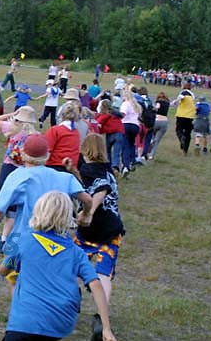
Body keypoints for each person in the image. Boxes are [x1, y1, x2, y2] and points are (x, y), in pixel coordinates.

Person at [0, 191, 117, 341]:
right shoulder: (76, 252)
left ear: (38, 212)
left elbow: (3, 270)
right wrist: (106, 328)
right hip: (61, 321)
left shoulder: (24, 240)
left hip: (26, 320)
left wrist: (15, 273)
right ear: (69, 217)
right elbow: (96, 285)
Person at [0, 134, 93, 258]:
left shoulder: (18, 176)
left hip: (26, 240)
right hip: (57, 243)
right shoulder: (65, 177)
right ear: (47, 155)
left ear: (23, 154)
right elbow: (88, 199)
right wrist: (86, 214)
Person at [74, 134, 125, 340]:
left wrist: (89, 212)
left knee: (72, 267)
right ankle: (99, 316)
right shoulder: (106, 169)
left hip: (89, 231)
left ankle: (71, 298)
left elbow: (100, 189)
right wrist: (73, 171)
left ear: (85, 150)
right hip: (111, 231)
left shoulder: (90, 169)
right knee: (104, 274)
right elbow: (91, 183)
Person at [0, 106, 39, 250]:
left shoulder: (12, 128)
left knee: (1, 198)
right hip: (24, 170)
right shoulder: (35, 136)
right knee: (14, 209)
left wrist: (12, 114)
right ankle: (4, 239)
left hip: (8, 168)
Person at [44, 101, 82, 174]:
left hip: (54, 168)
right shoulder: (76, 132)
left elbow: (46, 151)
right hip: (71, 169)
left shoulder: (55, 130)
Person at [171, 84, 196, 156]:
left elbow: (180, 98)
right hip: (190, 116)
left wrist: (174, 102)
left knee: (178, 130)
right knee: (188, 134)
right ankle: (185, 150)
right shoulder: (192, 95)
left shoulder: (183, 92)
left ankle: (181, 138)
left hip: (181, 115)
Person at [147, 91, 170, 160]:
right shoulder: (167, 103)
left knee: (151, 135)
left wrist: (152, 109)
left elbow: (157, 107)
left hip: (156, 120)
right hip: (164, 122)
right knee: (157, 141)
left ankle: (151, 141)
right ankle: (151, 155)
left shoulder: (158, 102)